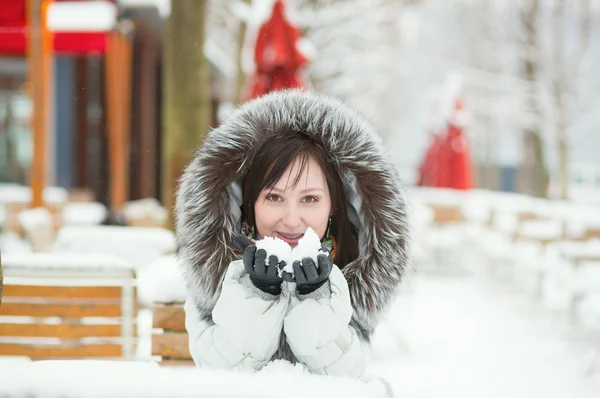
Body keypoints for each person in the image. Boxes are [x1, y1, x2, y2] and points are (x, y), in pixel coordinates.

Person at [176, 90, 409, 377]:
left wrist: (315, 298)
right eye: (274, 197)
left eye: (309, 199)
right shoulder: (216, 269)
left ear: (333, 205)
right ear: (250, 202)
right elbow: (217, 368)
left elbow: (347, 372)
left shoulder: (353, 270)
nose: (291, 219)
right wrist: (257, 294)